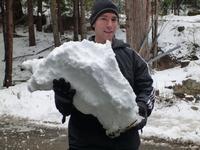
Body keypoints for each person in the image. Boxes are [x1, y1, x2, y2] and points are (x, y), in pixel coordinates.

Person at [53, 0, 155, 149]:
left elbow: (147, 88)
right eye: (104, 18)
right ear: (93, 22)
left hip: (124, 142)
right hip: (84, 141)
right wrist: (62, 98)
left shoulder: (131, 56)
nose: (110, 24)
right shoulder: (77, 57)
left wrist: (141, 108)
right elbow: (64, 108)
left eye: (114, 19)